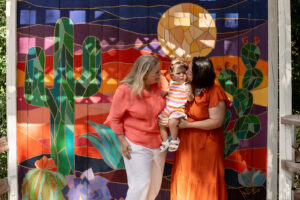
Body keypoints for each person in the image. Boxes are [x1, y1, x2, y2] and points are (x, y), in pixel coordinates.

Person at [160, 57, 229, 200]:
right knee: (185, 177)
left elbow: (216, 121)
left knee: (205, 181)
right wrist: (167, 120)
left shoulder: (215, 91)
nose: (186, 72)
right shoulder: (187, 87)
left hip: (207, 145)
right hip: (187, 145)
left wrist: (189, 125)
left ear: (200, 73)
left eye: (190, 70)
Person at [104, 54, 167, 200]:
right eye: (157, 72)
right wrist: (123, 142)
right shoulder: (125, 90)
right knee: (140, 185)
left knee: (154, 187)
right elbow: (115, 118)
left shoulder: (159, 85)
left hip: (158, 145)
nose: (161, 74)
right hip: (136, 145)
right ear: (144, 73)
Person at [159, 60, 193, 152]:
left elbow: (190, 99)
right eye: (178, 73)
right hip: (168, 108)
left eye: (184, 73)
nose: (182, 75)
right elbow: (169, 91)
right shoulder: (172, 83)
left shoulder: (186, 85)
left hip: (178, 109)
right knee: (160, 123)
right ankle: (165, 141)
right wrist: (165, 92)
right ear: (172, 76)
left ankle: (174, 139)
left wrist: (189, 95)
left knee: (172, 121)